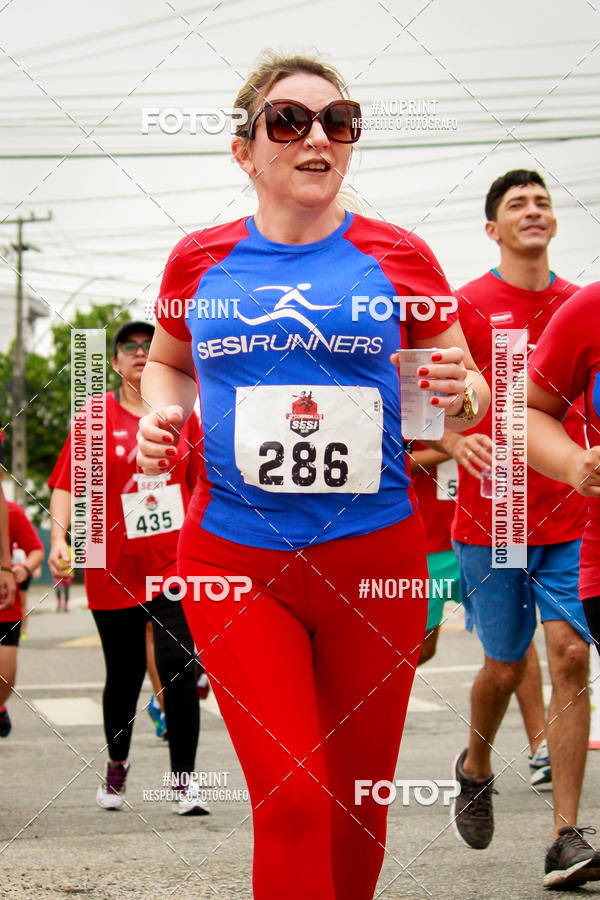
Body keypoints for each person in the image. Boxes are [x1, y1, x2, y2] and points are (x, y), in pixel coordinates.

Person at [136, 51, 489, 900]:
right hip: (234, 561)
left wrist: (462, 391)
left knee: (353, 813)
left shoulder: (401, 256)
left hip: (377, 561)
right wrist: (163, 413)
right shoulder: (199, 261)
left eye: (339, 120)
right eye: (288, 121)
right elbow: (169, 366)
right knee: (293, 798)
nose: (317, 136)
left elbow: (463, 392)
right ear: (244, 150)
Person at [440, 169, 595, 888]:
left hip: (572, 511)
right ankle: (475, 766)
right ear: (492, 228)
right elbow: (421, 413)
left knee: (568, 653)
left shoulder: (581, 304)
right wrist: (452, 442)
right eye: (515, 205)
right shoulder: (464, 307)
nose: (532, 212)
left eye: (542, 202)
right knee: (506, 667)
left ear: (554, 223)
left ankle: (566, 835)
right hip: (492, 516)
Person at [48, 321, 208, 815]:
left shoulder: (182, 418)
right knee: (123, 676)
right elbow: (66, 486)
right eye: (129, 348)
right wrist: (59, 539)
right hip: (111, 566)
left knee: (178, 674)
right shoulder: (96, 417)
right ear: (115, 362)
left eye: (148, 346)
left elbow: (206, 484)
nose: (140, 353)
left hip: (173, 568)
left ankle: (184, 784)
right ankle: (117, 765)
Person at [0, 500, 44, 737]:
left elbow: (36, 549)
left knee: (6, 677)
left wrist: (24, 569)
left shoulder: (11, 511)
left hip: (5, 603)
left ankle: (0, 705)